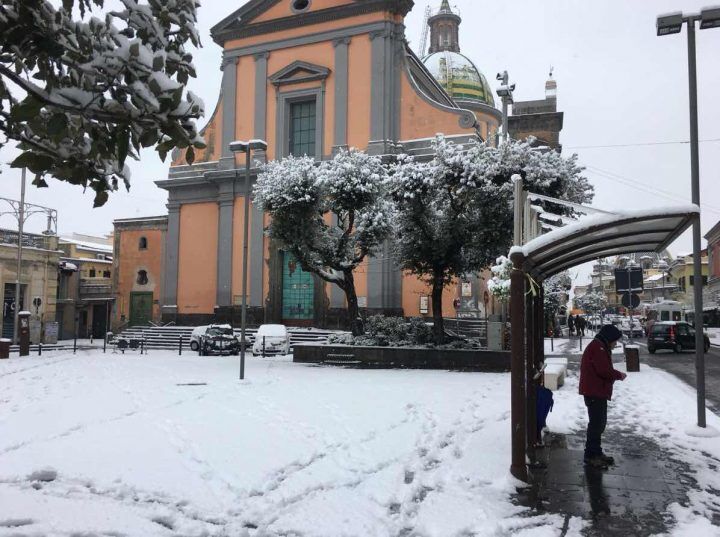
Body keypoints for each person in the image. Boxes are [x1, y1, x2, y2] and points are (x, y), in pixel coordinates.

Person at [578, 324, 627, 468]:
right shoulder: (598, 348)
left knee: (599, 423)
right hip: (594, 391)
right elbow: (603, 370)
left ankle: (596, 452)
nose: (615, 344)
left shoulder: (599, 346)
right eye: (615, 341)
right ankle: (591, 456)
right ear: (609, 338)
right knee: (596, 424)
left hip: (596, 391)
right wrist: (619, 375)